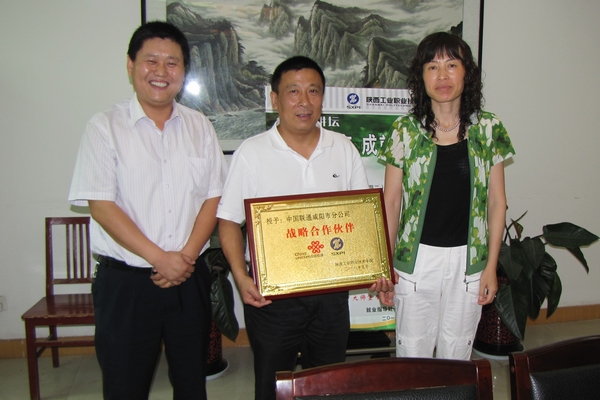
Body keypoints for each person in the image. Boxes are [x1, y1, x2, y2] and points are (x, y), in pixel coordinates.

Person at [217, 55, 393, 400]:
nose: (304, 101)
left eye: (313, 91)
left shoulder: (342, 148)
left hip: (331, 293)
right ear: (275, 99)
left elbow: (363, 217)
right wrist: (241, 277)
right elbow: (227, 221)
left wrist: (377, 267)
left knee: (327, 383)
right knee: (272, 382)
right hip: (273, 297)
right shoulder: (252, 153)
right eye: (293, 91)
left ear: (322, 98)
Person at [68, 21, 227, 399]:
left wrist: (185, 258)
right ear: (130, 65)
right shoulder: (104, 127)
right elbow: (102, 206)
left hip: (188, 277)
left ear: (183, 71)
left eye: (172, 63)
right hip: (127, 284)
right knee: (125, 385)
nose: (161, 71)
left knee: (192, 383)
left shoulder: (199, 126)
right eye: (150, 61)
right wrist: (160, 258)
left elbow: (213, 197)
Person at [377, 32, 515, 360]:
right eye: (432, 67)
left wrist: (491, 267)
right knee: (413, 355)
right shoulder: (404, 130)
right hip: (415, 262)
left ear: (467, 73)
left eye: (451, 65)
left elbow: (497, 202)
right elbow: (391, 202)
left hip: (470, 261)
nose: (442, 76)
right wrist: (384, 265)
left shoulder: (489, 129)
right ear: (421, 77)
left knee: (457, 354)